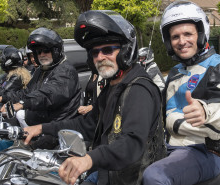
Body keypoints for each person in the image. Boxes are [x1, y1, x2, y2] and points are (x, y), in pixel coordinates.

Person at [22, 10, 165, 185]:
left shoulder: (139, 88)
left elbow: (132, 142)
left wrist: (89, 159)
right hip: (107, 174)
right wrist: (42, 128)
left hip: (132, 179)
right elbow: (87, 124)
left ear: (125, 51)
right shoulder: (113, 86)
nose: (100, 57)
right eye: (95, 53)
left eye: (108, 50)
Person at [143, 1, 220, 184]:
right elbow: (159, 112)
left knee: (155, 177)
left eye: (188, 34)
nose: (182, 41)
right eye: (175, 36)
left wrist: (205, 112)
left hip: (204, 151)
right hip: (169, 147)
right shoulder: (175, 72)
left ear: (201, 34)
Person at [0, 27, 82, 148]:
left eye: (45, 51)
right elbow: (25, 92)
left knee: (16, 155)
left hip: (57, 133)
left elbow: (49, 94)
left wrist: (22, 103)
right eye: (38, 52)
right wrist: (2, 97)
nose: (41, 55)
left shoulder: (66, 71)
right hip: (39, 128)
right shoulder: (41, 71)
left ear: (55, 51)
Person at [0, 45, 31, 127]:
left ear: (9, 62)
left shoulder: (17, 75)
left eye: (3, 60)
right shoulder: (11, 72)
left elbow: (3, 91)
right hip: (8, 103)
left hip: (13, 108)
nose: (1, 62)